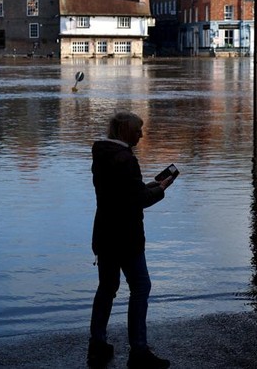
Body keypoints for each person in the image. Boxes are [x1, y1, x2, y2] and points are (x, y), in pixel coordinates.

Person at [87, 111, 174, 369]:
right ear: (125, 131)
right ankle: (138, 351)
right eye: (138, 130)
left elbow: (123, 193)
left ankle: (97, 345)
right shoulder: (126, 160)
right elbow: (137, 200)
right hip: (127, 236)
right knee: (140, 287)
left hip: (105, 234)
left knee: (106, 288)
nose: (141, 135)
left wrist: (147, 186)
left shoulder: (102, 154)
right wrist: (160, 190)